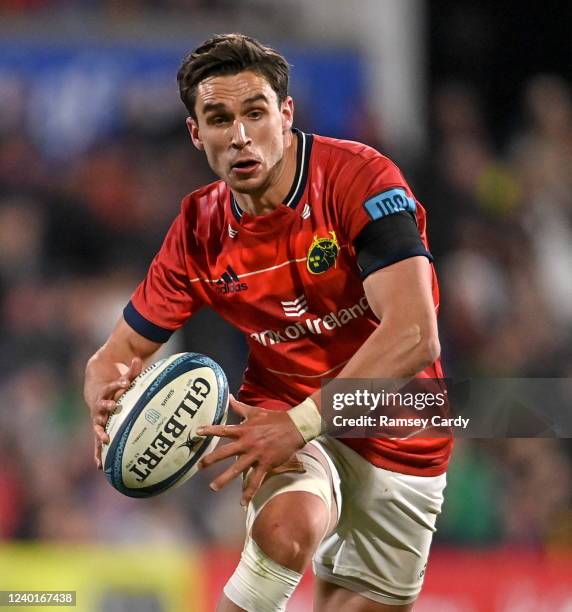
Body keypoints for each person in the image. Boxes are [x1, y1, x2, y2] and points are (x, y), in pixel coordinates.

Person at [84, 33, 452, 612]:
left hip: (403, 428)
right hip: (280, 415)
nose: (239, 135)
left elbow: (414, 333)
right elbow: (118, 350)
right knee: (283, 531)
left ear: (286, 115)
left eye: (255, 112)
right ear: (195, 133)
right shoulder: (199, 229)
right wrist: (104, 390)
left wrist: (302, 422)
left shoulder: (360, 180)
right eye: (219, 118)